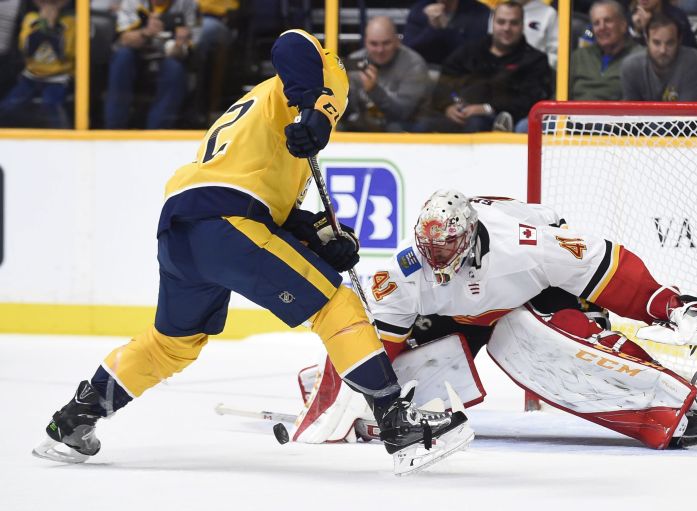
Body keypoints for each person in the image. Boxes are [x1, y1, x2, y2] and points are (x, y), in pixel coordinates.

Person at [33, 29, 472, 476]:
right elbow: (290, 42)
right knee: (335, 304)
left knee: (171, 344)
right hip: (226, 221)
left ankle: (74, 420)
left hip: (183, 226)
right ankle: (397, 423)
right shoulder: (325, 79)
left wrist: (323, 245)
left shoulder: (262, 125)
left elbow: (271, 220)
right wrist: (315, 113)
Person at [292, 191, 697, 450]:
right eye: (428, 250)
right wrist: (366, 395)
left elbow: (603, 263)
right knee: (419, 365)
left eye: (446, 250)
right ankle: (335, 388)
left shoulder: (526, 248)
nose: (435, 260)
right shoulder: (407, 274)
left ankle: (671, 408)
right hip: (466, 313)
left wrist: (665, 303)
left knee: (531, 341)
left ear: (468, 240)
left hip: (543, 292)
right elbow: (379, 340)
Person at [414, 1, 551, 133]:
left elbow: (529, 100)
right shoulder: (468, 51)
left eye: (513, 23)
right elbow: (444, 84)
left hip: (503, 121)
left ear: (522, 25)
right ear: (492, 23)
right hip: (458, 115)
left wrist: (487, 108)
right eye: (501, 22)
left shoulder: (535, 60)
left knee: (476, 123)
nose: (506, 28)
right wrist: (448, 106)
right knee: (423, 126)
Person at [104, 0, 198, 129]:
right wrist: (146, 32)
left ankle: (156, 131)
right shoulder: (132, 2)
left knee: (175, 69)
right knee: (122, 58)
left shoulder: (187, 4)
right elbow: (124, 39)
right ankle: (114, 129)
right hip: (136, 56)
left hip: (168, 57)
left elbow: (187, 52)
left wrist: (180, 42)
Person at [339, 16, 430, 133]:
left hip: (407, 130)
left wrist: (373, 90)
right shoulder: (355, 61)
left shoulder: (413, 64)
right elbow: (346, 111)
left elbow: (403, 114)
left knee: (394, 127)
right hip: (365, 129)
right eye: (373, 44)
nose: (380, 50)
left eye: (386, 43)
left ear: (397, 41)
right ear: (365, 42)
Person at [0, 0, 74, 128]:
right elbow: (27, 51)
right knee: (8, 106)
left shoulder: (72, 22)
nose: (49, 4)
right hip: (30, 77)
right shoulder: (30, 19)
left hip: (59, 78)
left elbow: (64, 54)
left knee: (51, 106)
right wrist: (43, 26)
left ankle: (66, 139)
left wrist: (52, 28)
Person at [622, 13, 697, 101]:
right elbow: (631, 113)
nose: (663, 50)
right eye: (656, 43)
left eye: (670, 43)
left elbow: (687, 113)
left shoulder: (696, 63)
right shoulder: (631, 67)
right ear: (647, 40)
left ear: (679, 40)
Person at [570, 0, 643, 101]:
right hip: (574, 115)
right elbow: (557, 98)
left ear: (623, 25)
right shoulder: (579, 57)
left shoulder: (640, 57)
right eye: (596, 23)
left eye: (608, 21)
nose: (602, 27)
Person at [403, 0, 491, 66]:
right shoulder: (419, 9)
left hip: (463, 76)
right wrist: (433, 29)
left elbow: (474, 55)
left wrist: (445, 30)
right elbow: (409, 52)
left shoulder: (479, 12)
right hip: (426, 72)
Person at [629, 0, 697, 49]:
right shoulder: (628, 17)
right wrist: (638, 31)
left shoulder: (677, 18)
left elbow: (687, 50)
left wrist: (647, 28)